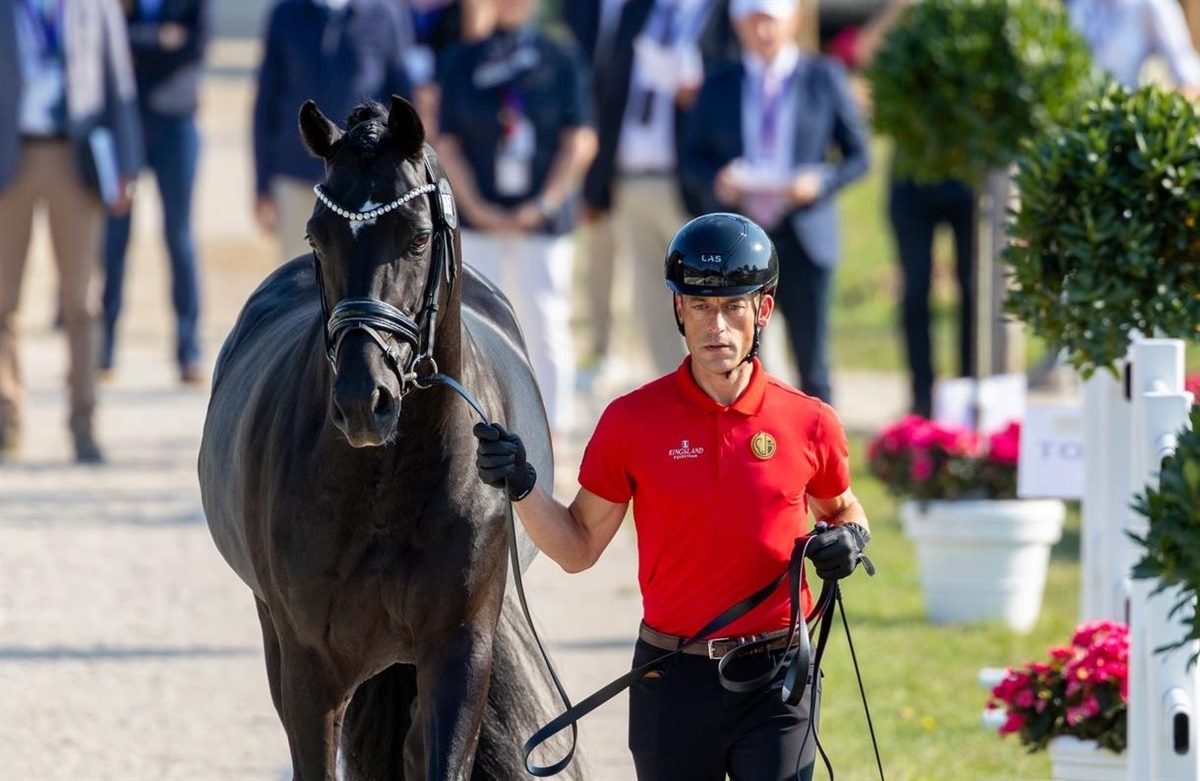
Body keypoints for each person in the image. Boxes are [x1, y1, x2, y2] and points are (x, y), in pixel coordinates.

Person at [473, 213, 873, 781]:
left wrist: (850, 538)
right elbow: (578, 547)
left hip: (777, 678)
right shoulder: (631, 421)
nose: (717, 326)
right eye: (701, 306)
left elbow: (843, 508)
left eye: (733, 306)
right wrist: (520, 484)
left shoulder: (809, 421)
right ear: (678, 309)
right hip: (672, 677)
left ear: (763, 310)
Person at [679, 0, 870, 404]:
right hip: (739, 243)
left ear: (793, 20)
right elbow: (691, 156)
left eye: (771, 21)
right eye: (753, 22)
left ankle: (819, 440)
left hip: (804, 234)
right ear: (738, 25)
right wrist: (718, 181)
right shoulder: (720, 82)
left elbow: (858, 156)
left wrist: (820, 181)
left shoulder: (823, 77)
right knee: (740, 362)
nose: (763, 31)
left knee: (813, 363)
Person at [435, 0, 598, 442]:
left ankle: (553, 429)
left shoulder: (561, 57)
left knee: (545, 319)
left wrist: (543, 204)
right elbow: (447, 141)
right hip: (478, 221)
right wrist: (476, 207)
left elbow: (580, 139)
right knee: (471, 321)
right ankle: (473, 422)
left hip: (541, 223)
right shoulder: (463, 60)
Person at [0, 0, 142, 463]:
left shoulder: (95, 7)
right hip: (10, 159)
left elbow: (119, 84)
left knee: (81, 302)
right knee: (3, 300)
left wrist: (126, 164)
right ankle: (5, 417)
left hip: (75, 160)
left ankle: (83, 421)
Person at [584, 0, 739, 382]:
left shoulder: (726, 14)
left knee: (719, 298)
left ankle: (738, 398)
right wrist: (598, 182)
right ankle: (678, 399)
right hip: (633, 176)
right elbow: (613, 88)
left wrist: (702, 95)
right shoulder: (639, 9)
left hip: (694, 184)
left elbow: (742, 89)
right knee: (657, 308)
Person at [844, 0, 975, 418]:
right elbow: (863, 50)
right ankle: (921, 397)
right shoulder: (906, 26)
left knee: (973, 288)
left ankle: (968, 393)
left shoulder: (972, 22)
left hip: (968, 173)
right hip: (912, 176)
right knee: (915, 288)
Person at [252, 0, 412, 264]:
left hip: (365, 181)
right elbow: (266, 102)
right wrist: (261, 184)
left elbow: (402, 100)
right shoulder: (285, 14)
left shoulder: (385, 15)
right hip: (296, 174)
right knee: (300, 275)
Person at [101, 0, 210, 386]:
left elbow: (196, 45)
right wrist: (160, 39)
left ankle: (188, 348)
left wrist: (139, 44)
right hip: (123, 118)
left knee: (179, 238)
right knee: (114, 237)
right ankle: (103, 348)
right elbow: (108, 44)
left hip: (176, 122)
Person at [1066, 0, 1200, 99]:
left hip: (1121, 119)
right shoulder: (1079, 5)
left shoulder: (1150, 5)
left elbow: (1187, 73)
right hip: (1075, 116)